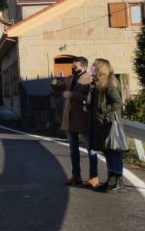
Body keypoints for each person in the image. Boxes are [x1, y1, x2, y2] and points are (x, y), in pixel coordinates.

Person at [53, 57, 99, 187]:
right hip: (70, 118)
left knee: (91, 149)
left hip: (84, 118)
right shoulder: (70, 78)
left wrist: (72, 95)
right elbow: (60, 88)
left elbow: (91, 99)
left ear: (84, 68)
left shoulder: (90, 80)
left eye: (76, 67)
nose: (73, 69)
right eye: (72, 66)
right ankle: (76, 175)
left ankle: (93, 176)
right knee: (73, 150)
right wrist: (55, 83)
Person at [89, 58, 125, 192]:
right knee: (107, 152)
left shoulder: (110, 83)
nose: (92, 68)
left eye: (95, 66)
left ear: (101, 68)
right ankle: (110, 180)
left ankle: (119, 181)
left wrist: (102, 110)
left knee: (114, 152)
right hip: (101, 123)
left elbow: (117, 103)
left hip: (110, 122)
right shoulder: (98, 83)